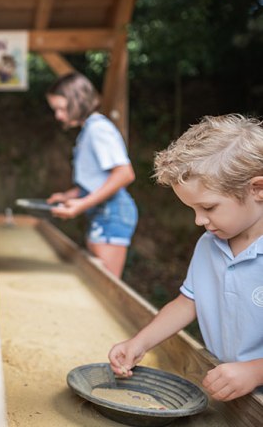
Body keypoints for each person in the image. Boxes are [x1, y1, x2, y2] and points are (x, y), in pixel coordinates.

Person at [108, 114, 263, 402]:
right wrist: (140, 343)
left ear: (257, 189)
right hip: (228, 392)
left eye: (209, 207)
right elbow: (189, 302)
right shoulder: (209, 245)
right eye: (192, 209)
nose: (199, 220)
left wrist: (255, 371)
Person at [45, 72, 137, 278]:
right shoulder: (88, 131)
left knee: (106, 286)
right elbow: (95, 182)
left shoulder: (99, 129)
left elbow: (124, 174)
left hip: (112, 214)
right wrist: (68, 196)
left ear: (77, 100)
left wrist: (81, 205)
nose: (58, 116)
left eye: (60, 108)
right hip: (101, 214)